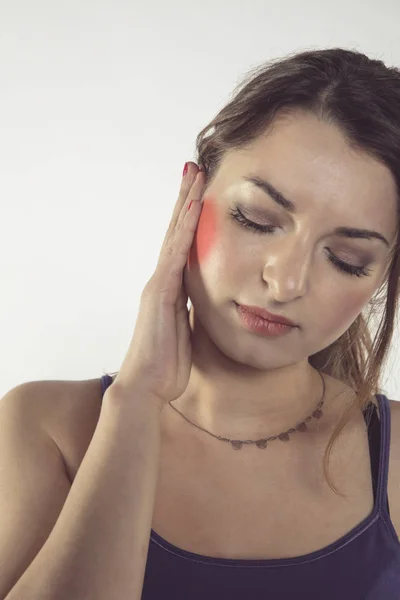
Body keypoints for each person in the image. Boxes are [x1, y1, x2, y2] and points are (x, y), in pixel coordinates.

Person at [2, 47, 400, 600]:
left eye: (347, 259)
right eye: (256, 219)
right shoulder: (44, 428)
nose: (285, 282)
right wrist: (136, 402)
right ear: (194, 193)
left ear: (380, 277)